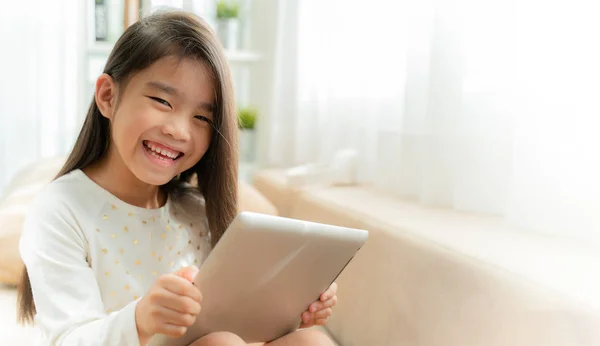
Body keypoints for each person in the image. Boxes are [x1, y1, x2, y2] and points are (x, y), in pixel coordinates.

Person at [17, 10, 337, 346]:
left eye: (201, 117)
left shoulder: (195, 209)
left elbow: (232, 322)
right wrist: (140, 319)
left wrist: (290, 309)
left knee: (310, 341)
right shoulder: (60, 208)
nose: (179, 130)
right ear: (108, 96)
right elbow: (69, 338)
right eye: (161, 100)